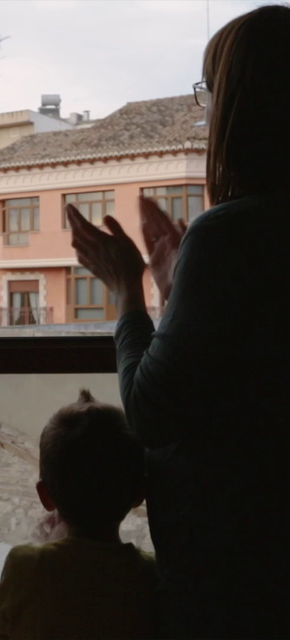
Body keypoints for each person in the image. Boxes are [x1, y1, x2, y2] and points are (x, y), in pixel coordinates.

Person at [67, 5, 290, 638]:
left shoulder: (231, 233)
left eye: (210, 93)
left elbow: (150, 409)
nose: (207, 110)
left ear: (243, 105)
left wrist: (127, 291)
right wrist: (177, 293)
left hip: (234, 564)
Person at [0, 389, 157, 640]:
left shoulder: (26, 566)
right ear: (140, 494)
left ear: (45, 496)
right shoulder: (152, 576)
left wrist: (47, 548)